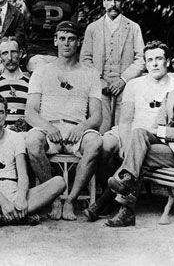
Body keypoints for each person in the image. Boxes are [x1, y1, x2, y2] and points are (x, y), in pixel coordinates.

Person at [105, 49, 174, 227]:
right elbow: (156, 127)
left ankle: (125, 189)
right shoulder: (171, 95)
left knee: (141, 153)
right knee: (139, 133)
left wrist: (168, 136)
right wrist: (171, 141)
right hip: (170, 149)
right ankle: (127, 182)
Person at [84, 41, 174, 221]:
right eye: (150, 60)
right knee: (105, 145)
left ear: (167, 61)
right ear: (145, 63)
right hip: (131, 132)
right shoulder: (134, 84)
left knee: (139, 151)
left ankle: (107, 199)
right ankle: (114, 194)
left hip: (157, 138)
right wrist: (126, 144)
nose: (155, 64)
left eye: (159, 58)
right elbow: (126, 120)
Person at [25, 21, 103, 221]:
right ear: (55, 41)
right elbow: (30, 112)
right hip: (49, 127)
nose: (66, 43)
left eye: (71, 39)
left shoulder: (90, 73)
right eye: (62, 39)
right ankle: (55, 198)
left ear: (78, 43)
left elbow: (96, 116)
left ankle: (71, 201)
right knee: (32, 143)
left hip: (77, 128)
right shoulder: (42, 71)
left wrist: (82, 127)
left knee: (95, 142)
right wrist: (48, 127)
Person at [0, 95, 66, 227]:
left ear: (6, 115)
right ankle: (20, 216)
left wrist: (21, 198)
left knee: (59, 182)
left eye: (1, 112)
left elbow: (23, 175)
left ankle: (4, 217)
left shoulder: (15, 138)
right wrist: (4, 202)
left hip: (14, 191)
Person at [80, 0, 145, 133]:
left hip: (126, 88)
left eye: (117, 0)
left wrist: (123, 80)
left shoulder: (133, 28)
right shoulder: (93, 28)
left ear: (122, 2)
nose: (113, 4)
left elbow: (141, 59)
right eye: (109, 0)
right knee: (100, 130)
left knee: (123, 131)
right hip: (100, 89)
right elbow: (85, 59)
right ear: (103, 2)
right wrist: (98, 80)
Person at [23, 0, 78, 72]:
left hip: (61, 53)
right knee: (44, 72)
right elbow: (23, 30)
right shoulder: (32, 0)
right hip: (36, 53)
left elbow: (72, 32)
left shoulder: (71, 2)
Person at [0, 37, 30, 132]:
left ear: (20, 54)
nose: (9, 58)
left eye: (13, 52)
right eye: (5, 53)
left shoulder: (31, 84)